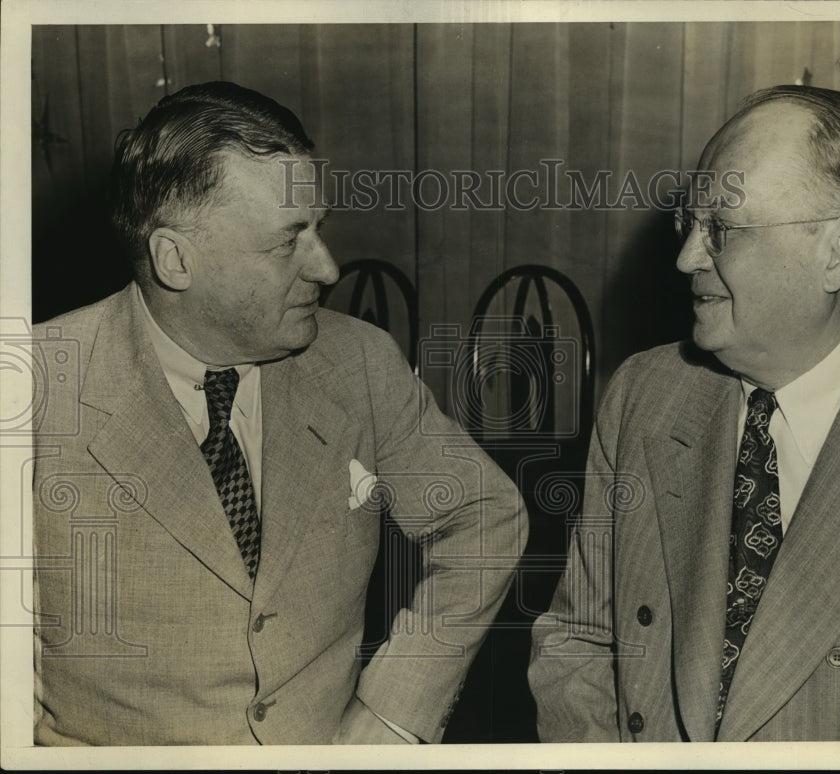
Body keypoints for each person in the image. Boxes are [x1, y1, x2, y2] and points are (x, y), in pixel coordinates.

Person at [32, 81, 525, 746]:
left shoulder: (360, 363)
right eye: (288, 240)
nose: (327, 266)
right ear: (176, 260)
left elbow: (485, 517)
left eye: (318, 228)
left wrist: (392, 714)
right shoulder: (33, 390)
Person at [528, 85, 840, 742]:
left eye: (721, 230)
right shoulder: (644, 395)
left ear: (838, 251)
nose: (685, 258)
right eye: (688, 224)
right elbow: (577, 642)